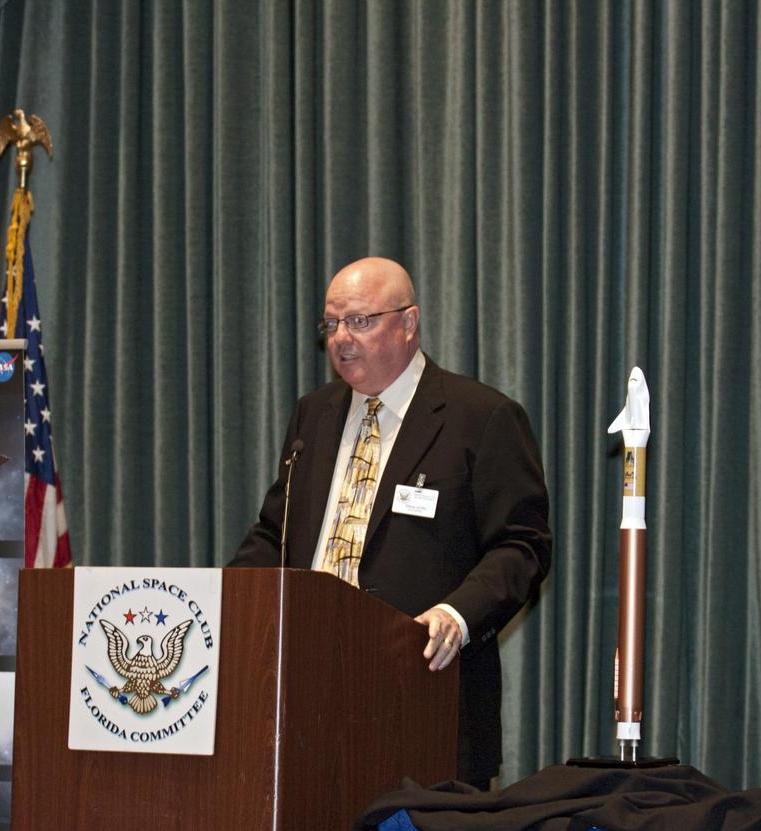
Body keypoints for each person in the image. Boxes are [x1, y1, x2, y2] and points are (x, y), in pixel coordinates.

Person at [229, 256, 551, 788]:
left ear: (408, 322)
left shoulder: (481, 417)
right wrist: (225, 605)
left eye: (360, 321)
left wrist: (457, 614)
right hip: (305, 696)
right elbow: (275, 533)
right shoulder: (314, 414)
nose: (341, 339)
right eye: (331, 325)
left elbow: (522, 546)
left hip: (427, 695)